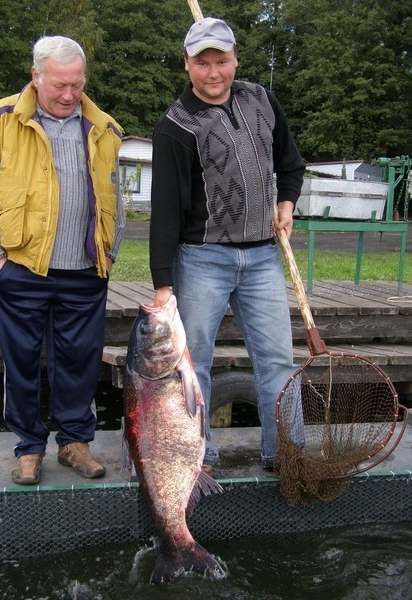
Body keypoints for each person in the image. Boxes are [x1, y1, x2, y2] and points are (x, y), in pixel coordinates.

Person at [0, 35, 124, 485]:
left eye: (77, 84)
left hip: (84, 271)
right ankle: (29, 448)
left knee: (80, 362)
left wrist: (108, 256)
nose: (70, 94)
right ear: (36, 77)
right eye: (59, 85)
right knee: (20, 362)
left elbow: (117, 198)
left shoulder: (104, 129)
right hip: (19, 268)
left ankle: (75, 443)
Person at [149, 17, 305, 471]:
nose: (213, 72)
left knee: (278, 360)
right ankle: (197, 459)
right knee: (191, 367)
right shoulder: (174, 126)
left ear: (236, 59)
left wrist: (288, 203)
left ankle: (287, 455)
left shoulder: (262, 100)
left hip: (263, 257)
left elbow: (290, 163)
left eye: (222, 60)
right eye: (202, 63)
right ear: (186, 65)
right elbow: (165, 213)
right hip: (201, 259)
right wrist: (163, 286)